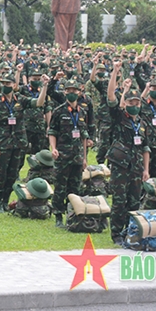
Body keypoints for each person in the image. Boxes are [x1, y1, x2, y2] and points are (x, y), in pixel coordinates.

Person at [0, 68, 48, 212]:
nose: (5, 85)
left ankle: (6, 200)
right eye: (3, 83)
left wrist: (45, 86)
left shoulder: (21, 99)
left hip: (19, 142)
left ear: (14, 85)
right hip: (3, 143)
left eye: (8, 83)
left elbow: (39, 103)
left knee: (13, 174)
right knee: (1, 173)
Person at [105, 64, 150, 245]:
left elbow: (146, 147)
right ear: (126, 104)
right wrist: (115, 72)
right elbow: (110, 96)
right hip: (120, 166)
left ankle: (130, 231)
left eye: (137, 103)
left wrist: (146, 170)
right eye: (131, 103)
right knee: (119, 201)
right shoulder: (119, 117)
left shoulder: (142, 123)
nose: (134, 106)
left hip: (137, 167)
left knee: (134, 202)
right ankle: (116, 233)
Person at [47, 77, 90, 229]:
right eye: (68, 91)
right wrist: (54, 148)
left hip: (77, 156)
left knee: (75, 187)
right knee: (60, 186)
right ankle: (58, 215)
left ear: (79, 92)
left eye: (74, 91)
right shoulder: (59, 111)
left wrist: (85, 157)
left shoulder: (83, 111)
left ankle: (73, 214)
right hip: (63, 155)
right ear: (65, 92)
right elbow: (52, 132)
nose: (71, 93)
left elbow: (84, 136)